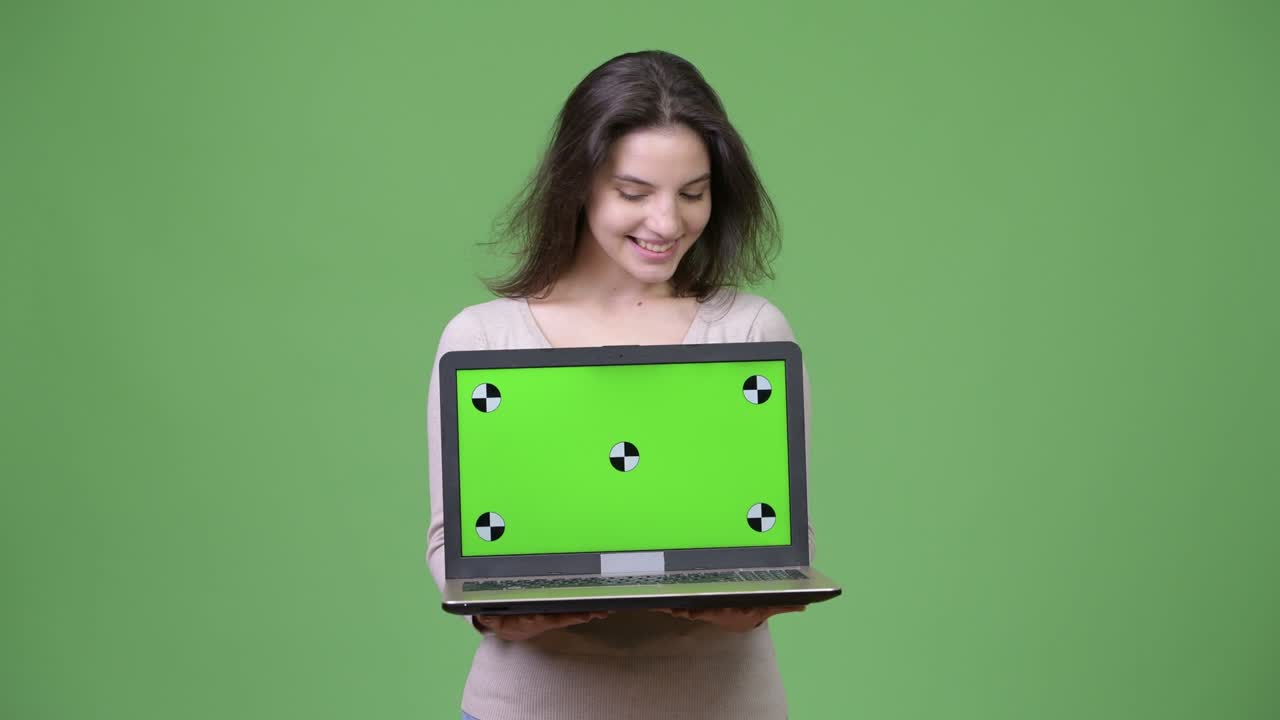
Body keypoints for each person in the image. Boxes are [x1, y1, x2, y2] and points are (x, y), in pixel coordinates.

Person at [425, 50, 816, 720]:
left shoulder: (750, 329)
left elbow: (782, 531)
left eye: (692, 193)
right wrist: (498, 612)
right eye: (634, 193)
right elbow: (449, 545)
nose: (667, 223)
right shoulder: (484, 338)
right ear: (578, 184)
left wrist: (753, 601)